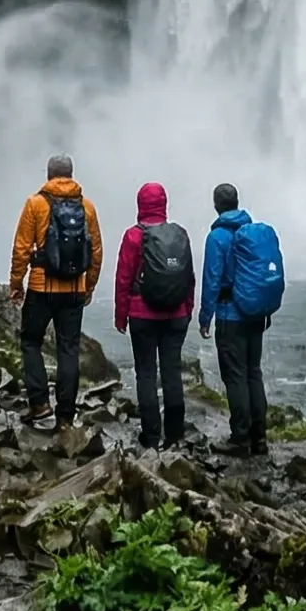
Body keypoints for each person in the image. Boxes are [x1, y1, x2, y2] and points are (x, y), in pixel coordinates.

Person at [8, 153, 101, 427]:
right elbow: (96, 251)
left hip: (41, 288)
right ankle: (65, 417)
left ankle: (39, 404)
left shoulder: (35, 204)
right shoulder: (87, 207)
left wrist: (16, 284)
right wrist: (90, 285)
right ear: (71, 175)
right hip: (74, 290)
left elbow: (21, 248)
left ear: (49, 175)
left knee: (31, 342)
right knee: (68, 349)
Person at [113, 181, 194, 450]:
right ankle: (174, 434)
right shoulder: (180, 234)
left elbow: (124, 278)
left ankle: (150, 436)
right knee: (172, 371)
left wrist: (120, 315)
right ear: (164, 205)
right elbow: (189, 277)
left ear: (140, 205)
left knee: (146, 373)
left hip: (142, 314)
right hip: (176, 314)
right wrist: (189, 308)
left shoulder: (133, 236)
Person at [199, 181, 277, 456]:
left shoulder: (217, 238)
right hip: (255, 313)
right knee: (254, 373)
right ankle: (260, 438)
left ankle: (240, 438)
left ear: (216, 205)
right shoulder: (252, 232)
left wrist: (205, 316)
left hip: (230, 315)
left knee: (235, 376)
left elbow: (212, 279)